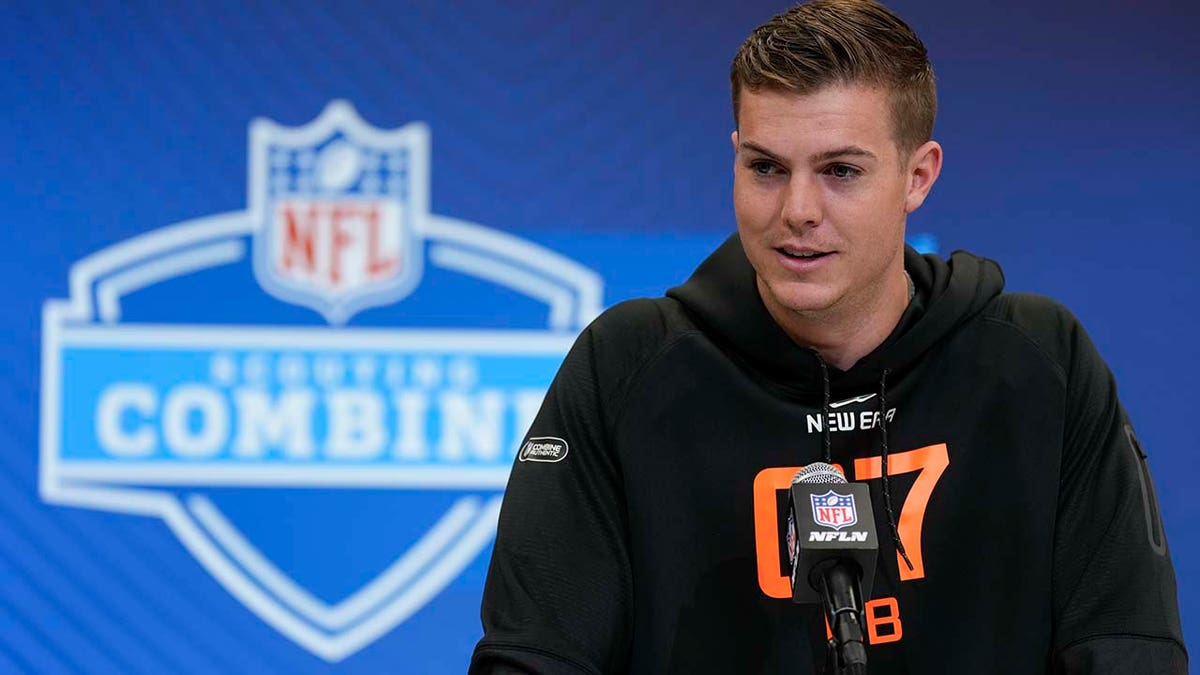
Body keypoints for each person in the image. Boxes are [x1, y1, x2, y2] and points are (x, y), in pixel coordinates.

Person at [470, 0, 1187, 672]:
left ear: (918, 176)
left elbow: (1129, 646)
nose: (797, 210)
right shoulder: (626, 367)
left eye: (840, 170)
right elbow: (536, 655)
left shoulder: (1037, 361)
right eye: (766, 168)